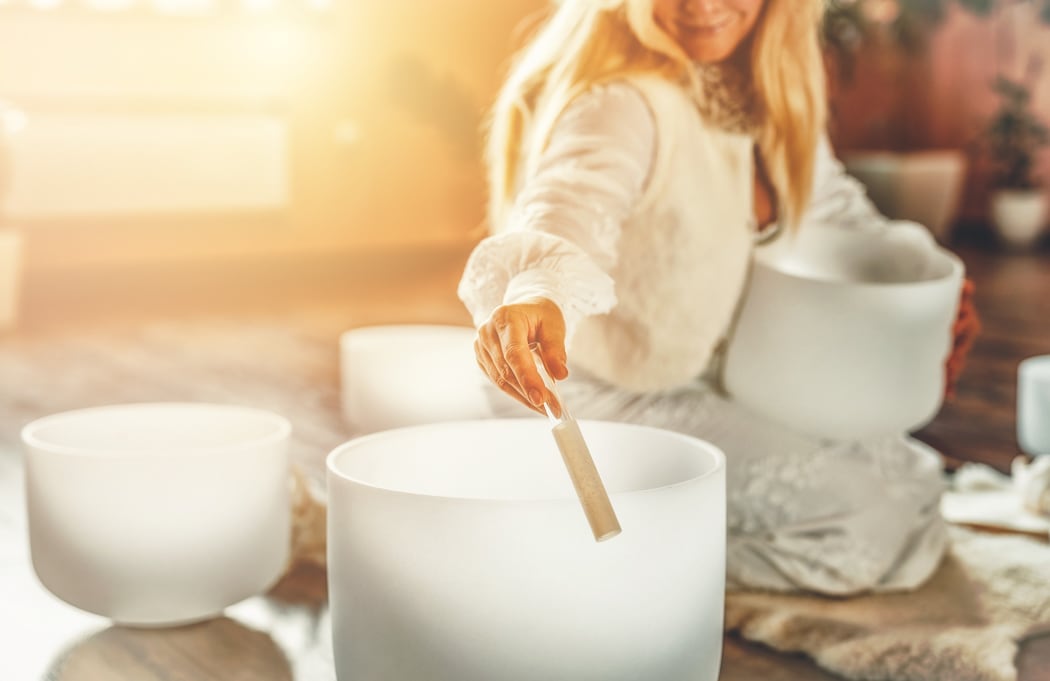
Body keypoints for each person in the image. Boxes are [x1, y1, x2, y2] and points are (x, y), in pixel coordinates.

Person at [457, 0, 979, 595]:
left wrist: (936, 284)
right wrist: (537, 292)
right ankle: (598, 559)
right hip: (600, 391)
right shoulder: (620, 105)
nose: (702, 5)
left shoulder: (756, 93)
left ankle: (644, 527)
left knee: (909, 475)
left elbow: (837, 212)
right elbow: (568, 206)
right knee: (865, 520)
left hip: (698, 378)